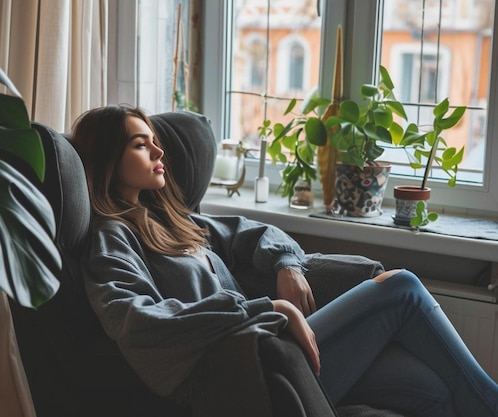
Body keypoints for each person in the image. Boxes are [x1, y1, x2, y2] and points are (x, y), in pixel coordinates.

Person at [71, 104, 498, 417]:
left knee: (431, 391)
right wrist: (266, 309)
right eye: (141, 145)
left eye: (156, 144)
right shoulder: (113, 239)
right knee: (401, 287)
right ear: (108, 160)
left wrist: (286, 266)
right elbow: (136, 320)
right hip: (246, 370)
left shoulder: (174, 219)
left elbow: (254, 233)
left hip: (283, 349)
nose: (159, 154)